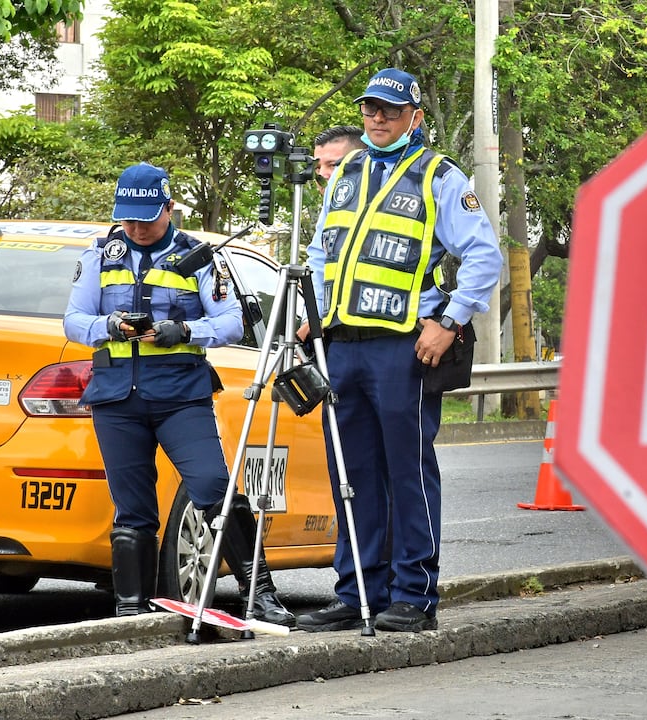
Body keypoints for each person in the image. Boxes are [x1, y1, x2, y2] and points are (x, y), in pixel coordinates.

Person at [294, 68, 502, 633]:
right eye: (370, 109)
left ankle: (414, 594)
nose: (378, 118)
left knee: (406, 472)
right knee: (351, 474)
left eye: (389, 110)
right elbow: (320, 251)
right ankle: (358, 591)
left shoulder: (438, 175)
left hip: (401, 349)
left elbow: (485, 258)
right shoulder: (346, 173)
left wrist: (450, 322)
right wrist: (312, 315)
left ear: (415, 117)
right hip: (343, 348)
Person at [64, 163, 296, 627]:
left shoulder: (199, 257)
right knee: (132, 509)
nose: (136, 228)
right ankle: (130, 610)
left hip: (180, 394)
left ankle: (259, 593)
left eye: (147, 218)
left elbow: (232, 321)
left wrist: (184, 330)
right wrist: (109, 326)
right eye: (128, 219)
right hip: (116, 397)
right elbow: (73, 319)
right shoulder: (99, 255)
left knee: (213, 487)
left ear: (170, 208)